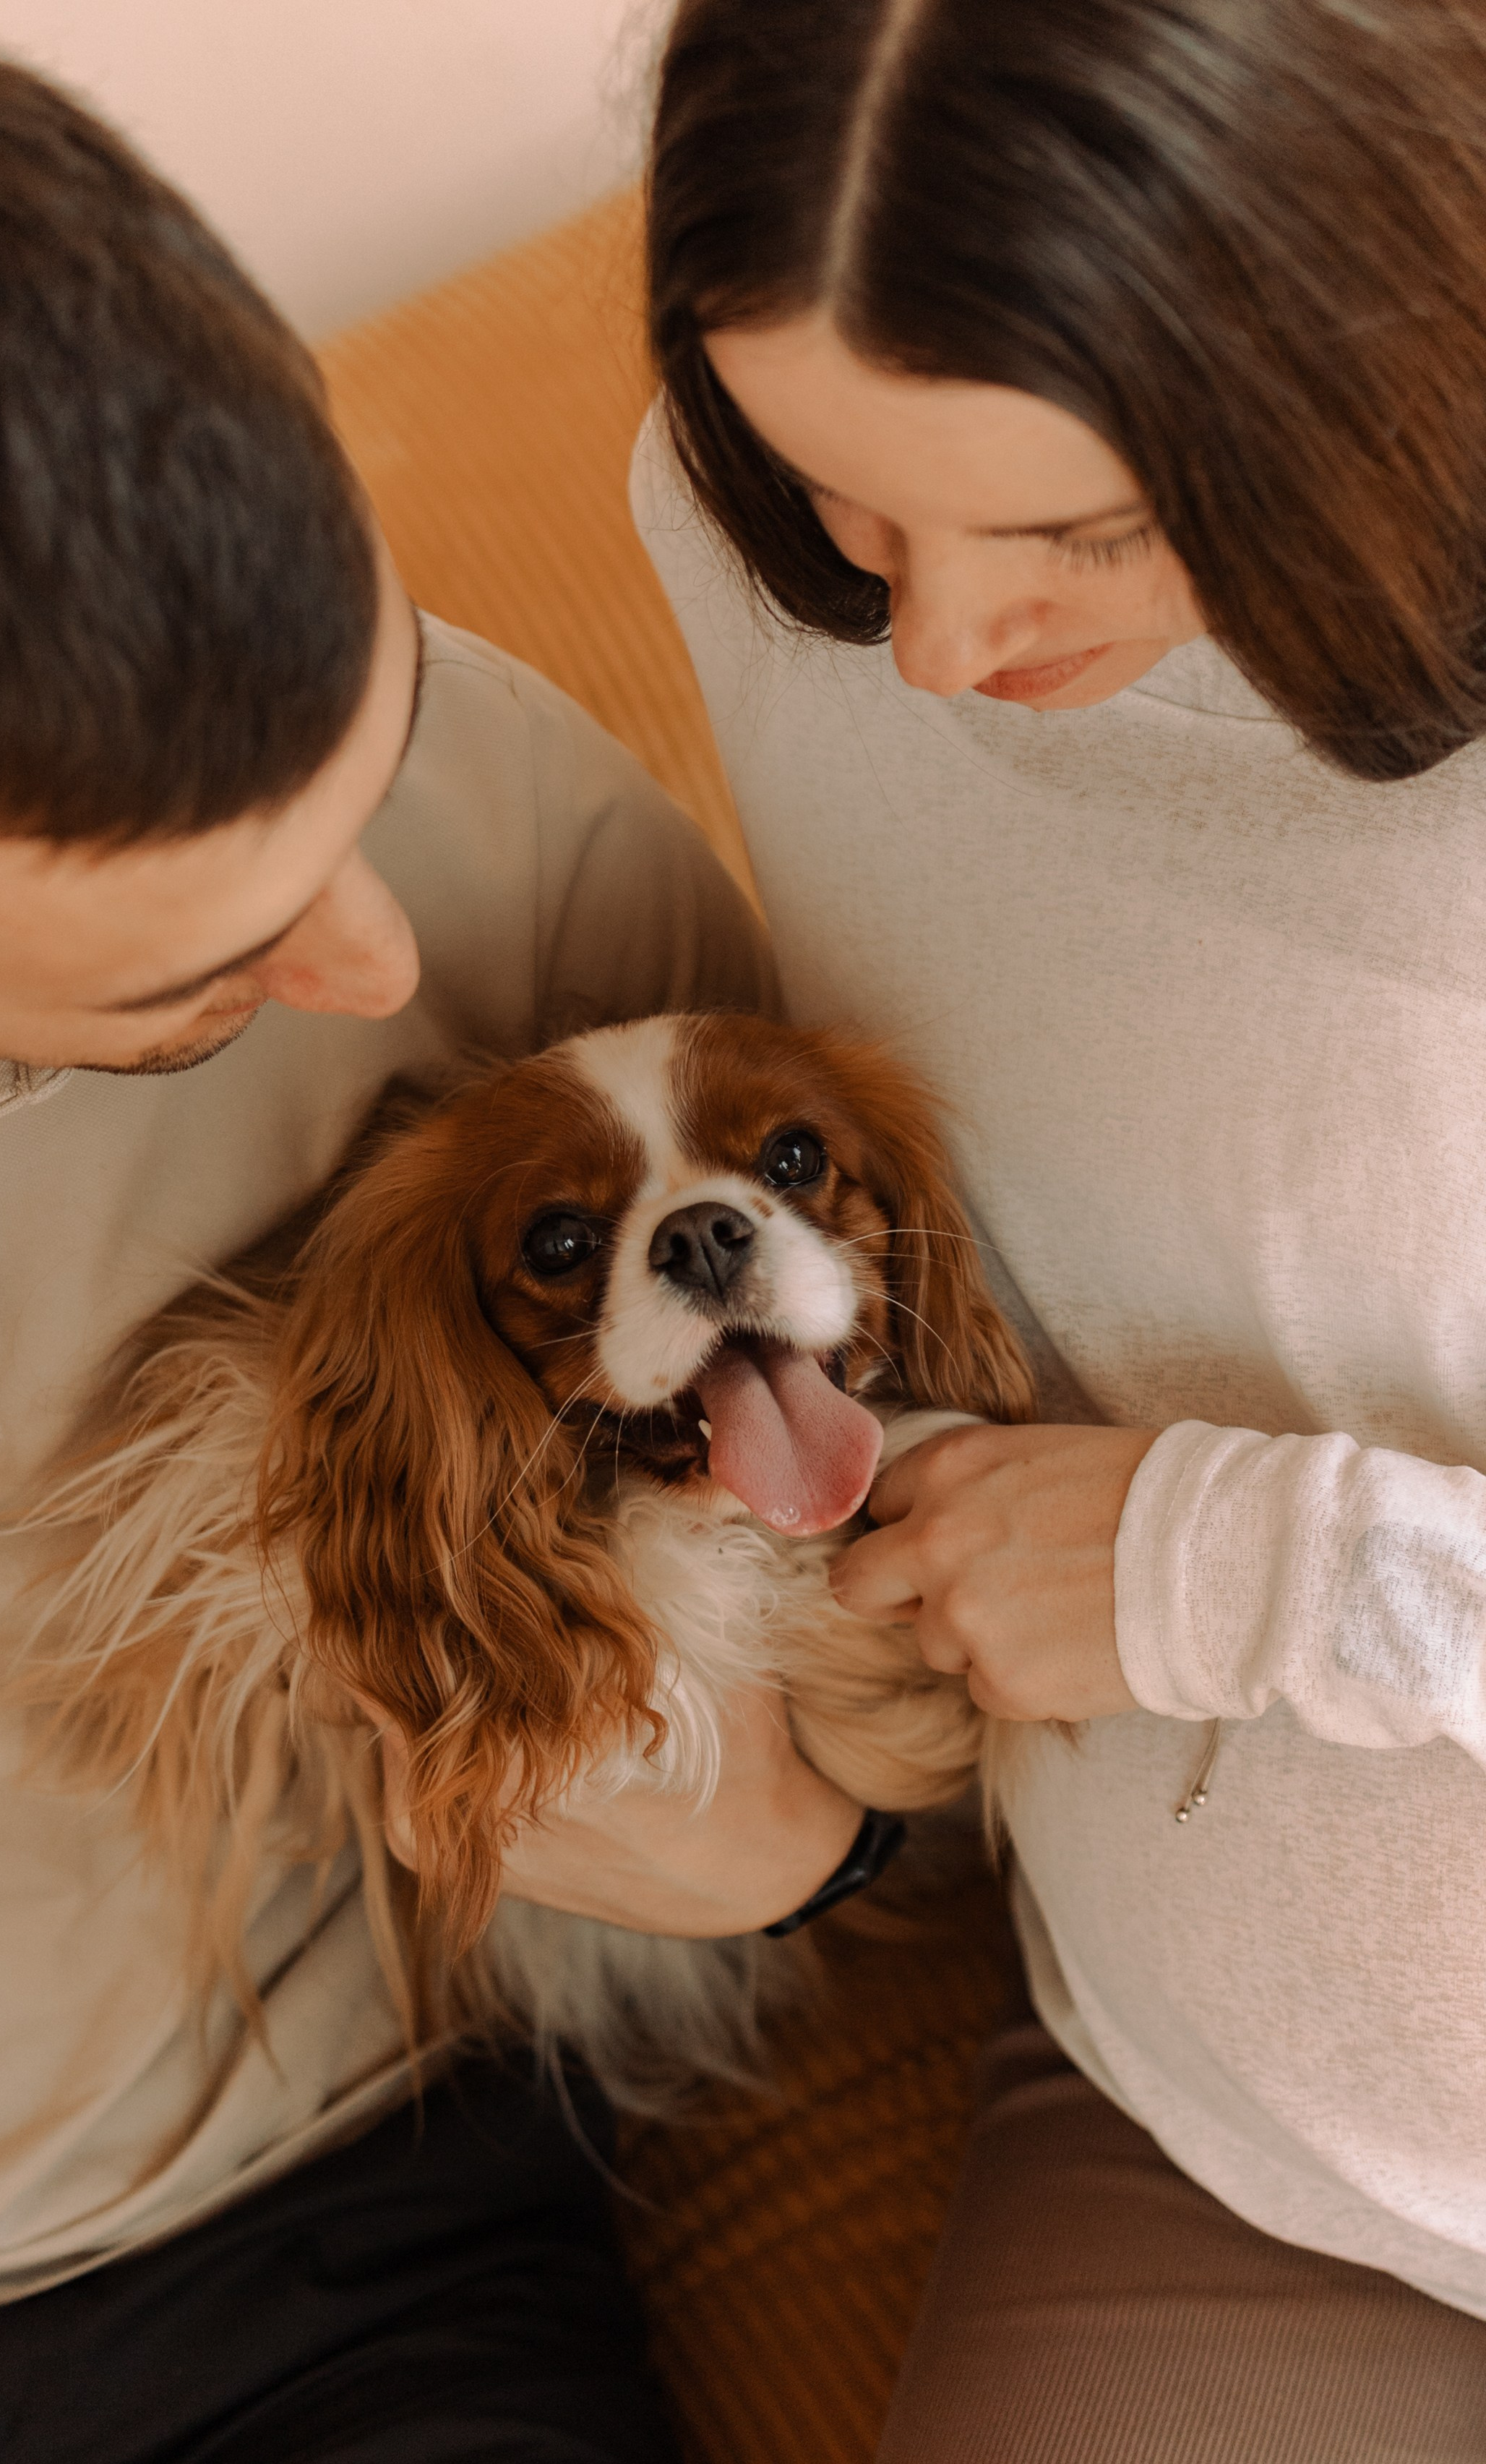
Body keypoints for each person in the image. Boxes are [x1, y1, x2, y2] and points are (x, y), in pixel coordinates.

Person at [0, 25, 864, 2460]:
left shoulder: (524, 840)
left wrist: (785, 1838)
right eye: (197, 982)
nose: (388, 974)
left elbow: (884, 1473)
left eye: (365, 754)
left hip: (306, 2245)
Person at [635, 0, 1486, 2455]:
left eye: (1081, 533)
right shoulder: (755, 525)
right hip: (1225, 2111)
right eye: (860, 511)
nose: (930, 650)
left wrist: (1231, 1565)